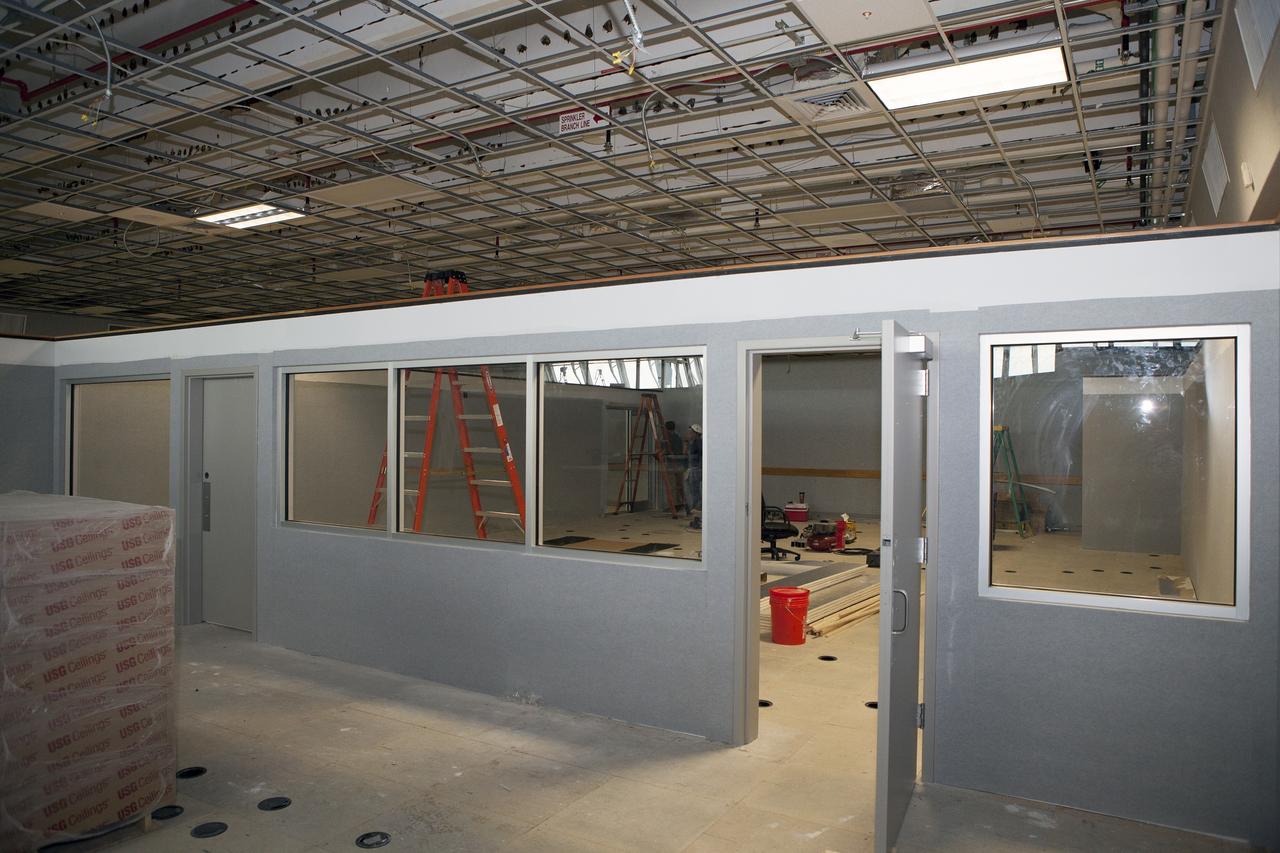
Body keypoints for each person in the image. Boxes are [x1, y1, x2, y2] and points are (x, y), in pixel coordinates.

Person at [685, 423, 703, 529]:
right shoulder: (693, 443)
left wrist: (698, 469)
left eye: (690, 432)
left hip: (696, 471)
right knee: (693, 494)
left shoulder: (698, 443)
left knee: (695, 495)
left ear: (695, 433)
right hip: (694, 470)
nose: (688, 434)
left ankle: (697, 519)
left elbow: (700, 457)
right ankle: (696, 518)